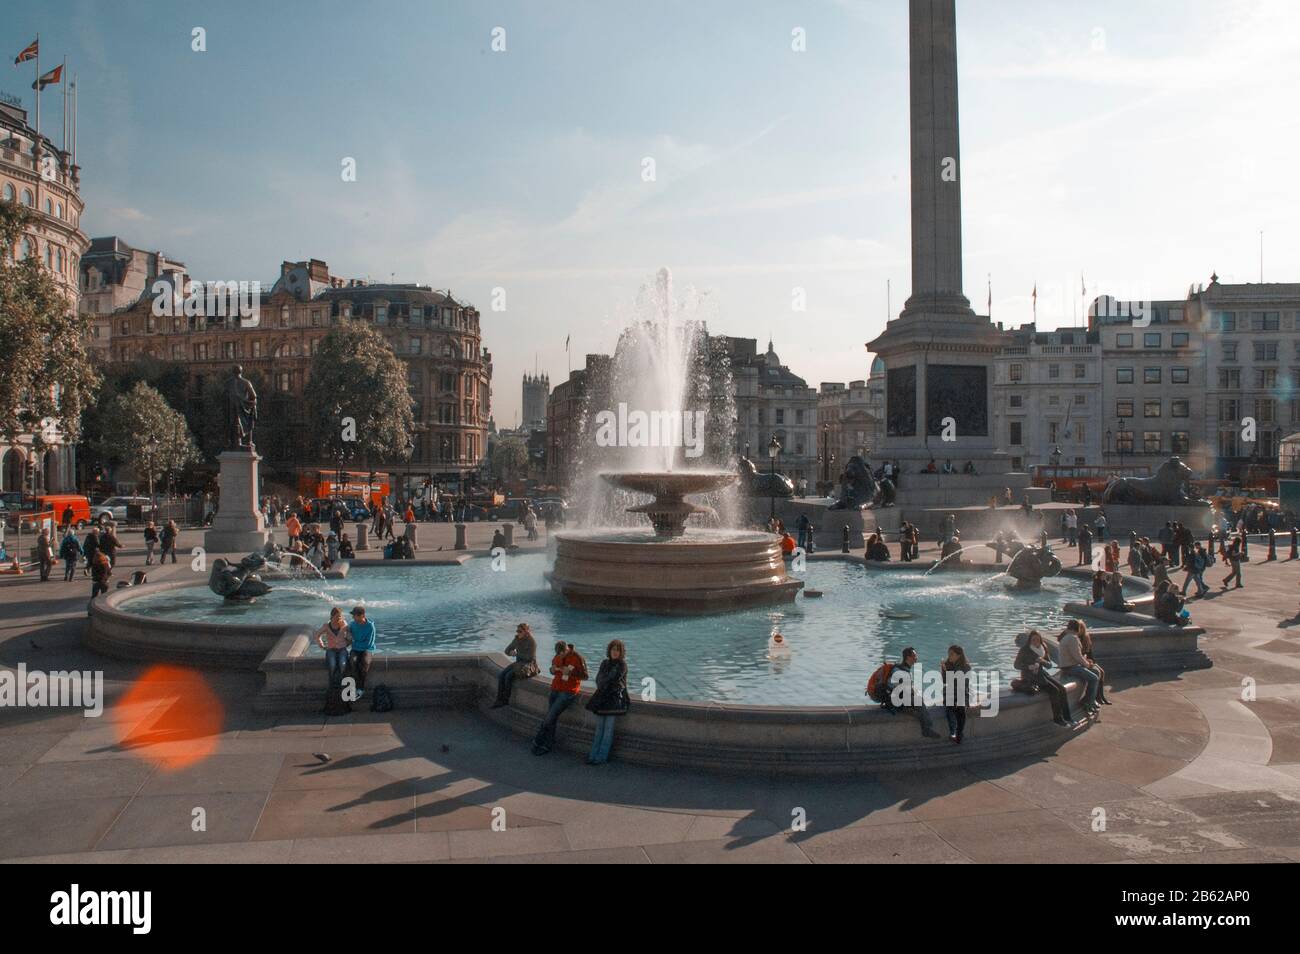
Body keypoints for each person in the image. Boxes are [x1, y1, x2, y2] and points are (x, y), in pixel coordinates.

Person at [532, 641, 588, 755]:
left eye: (562, 654)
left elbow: (585, 676)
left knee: (550, 716)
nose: (560, 656)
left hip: (568, 691)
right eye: (558, 654)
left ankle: (538, 739)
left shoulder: (577, 657)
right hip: (555, 688)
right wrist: (552, 670)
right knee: (552, 717)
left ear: (567, 649)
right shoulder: (557, 655)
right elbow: (552, 669)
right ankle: (548, 743)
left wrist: (571, 672)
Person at [1015, 630, 1076, 727]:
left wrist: (1042, 660)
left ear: (1040, 640)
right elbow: (1016, 665)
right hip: (1030, 677)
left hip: (1042, 674)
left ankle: (1068, 717)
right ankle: (1058, 719)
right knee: (1055, 691)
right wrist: (1028, 666)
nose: (1036, 642)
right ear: (1029, 640)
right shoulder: (1024, 650)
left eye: (1038, 640)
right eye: (1033, 640)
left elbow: (1049, 665)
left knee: (1062, 689)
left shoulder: (1043, 649)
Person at [585, 639, 629, 765]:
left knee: (608, 730)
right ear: (609, 650)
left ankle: (601, 757)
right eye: (613, 649)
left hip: (613, 700)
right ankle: (593, 755)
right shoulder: (604, 663)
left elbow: (614, 679)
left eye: (617, 650)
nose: (615, 652)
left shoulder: (622, 665)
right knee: (599, 729)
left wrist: (603, 683)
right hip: (603, 698)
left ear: (621, 652)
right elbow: (599, 679)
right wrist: (604, 683)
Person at [881, 647, 941, 738]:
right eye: (914, 656)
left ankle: (926, 727)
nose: (916, 658)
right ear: (908, 657)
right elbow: (895, 687)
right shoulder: (898, 670)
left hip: (898, 699)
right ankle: (926, 730)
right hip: (894, 700)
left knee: (919, 706)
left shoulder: (904, 669)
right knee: (919, 702)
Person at [1057, 619, 1101, 717]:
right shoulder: (1072, 638)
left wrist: (1086, 663)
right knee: (1094, 678)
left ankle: (1090, 699)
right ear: (1077, 629)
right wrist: (1087, 664)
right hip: (1070, 667)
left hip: (1070, 665)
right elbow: (1077, 656)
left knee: (1096, 672)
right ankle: (1088, 702)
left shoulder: (1067, 637)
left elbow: (1075, 655)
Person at [492, 623, 539, 707]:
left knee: (508, 676)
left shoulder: (532, 642)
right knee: (502, 675)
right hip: (519, 663)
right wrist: (510, 652)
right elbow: (506, 650)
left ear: (526, 631)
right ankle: (498, 699)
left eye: (520, 631)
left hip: (528, 664)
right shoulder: (517, 639)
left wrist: (517, 654)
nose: (518, 633)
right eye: (517, 631)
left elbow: (530, 658)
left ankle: (505, 700)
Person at [940, 645, 972, 744]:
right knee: (950, 706)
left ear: (959, 655)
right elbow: (945, 681)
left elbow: (964, 684)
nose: (949, 656)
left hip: (962, 692)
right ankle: (953, 732)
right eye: (948, 654)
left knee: (961, 708)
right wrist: (943, 670)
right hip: (950, 692)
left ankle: (959, 733)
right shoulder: (947, 664)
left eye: (952, 654)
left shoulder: (966, 667)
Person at [314, 607, 352, 687]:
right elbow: (317, 635)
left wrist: (348, 641)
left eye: (340, 616)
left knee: (343, 664)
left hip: (342, 649)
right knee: (332, 664)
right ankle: (332, 681)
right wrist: (322, 645)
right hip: (331, 649)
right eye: (337, 616)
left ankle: (342, 681)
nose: (339, 618)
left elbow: (349, 636)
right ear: (332, 616)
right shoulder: (326, 626)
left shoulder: (344, 624)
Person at [347, 605, 377, 699]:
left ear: (362, 616)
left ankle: (361, 689)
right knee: (353, 662)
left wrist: (354, 642)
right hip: (355, 649)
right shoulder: (352, 624)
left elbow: (368, 644)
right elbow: (347, 631)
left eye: (354, 615)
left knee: (364, 664)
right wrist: (348, 634)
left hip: (367, 649)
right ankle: (354, 687)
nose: (353, 617)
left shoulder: (370, 626)